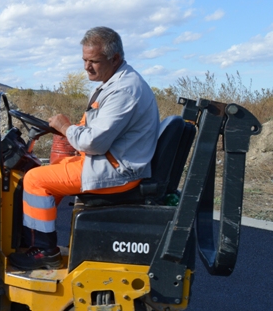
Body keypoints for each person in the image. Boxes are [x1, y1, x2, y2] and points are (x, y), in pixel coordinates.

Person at [10, 26, 160, 271]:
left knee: (35, 180)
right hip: (109, 160)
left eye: (94, 61)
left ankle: (44, 253)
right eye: (84, 60)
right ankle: (33, 240)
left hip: (117, 169)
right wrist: (68, 128)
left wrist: (66, 127)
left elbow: (94, 142)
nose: (87, 67)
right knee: (49, 173)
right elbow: (92, 127)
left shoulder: (124, 90)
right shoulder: (112, 82)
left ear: (115, 59)